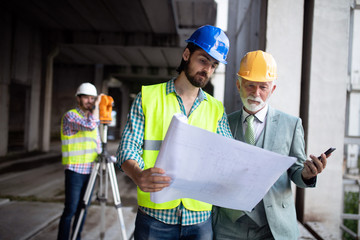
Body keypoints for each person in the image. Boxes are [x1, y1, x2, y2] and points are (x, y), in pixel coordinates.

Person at [116, 25, 233, 240]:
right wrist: (138, 174)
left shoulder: (216, 108)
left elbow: (227, 156)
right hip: (155, 217)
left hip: (199, 220)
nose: (207, 69)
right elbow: (128, 148)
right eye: (203, 60)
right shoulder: (148, 97)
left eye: (213, 65)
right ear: (187, 55)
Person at [212, 50, 329, 240]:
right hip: (229, 226)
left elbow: (296, 171)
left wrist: (307, 175)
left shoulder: (291, 125)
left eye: (263, 87)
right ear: (238, 85)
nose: (256, 93)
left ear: (272, 90)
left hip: (272, 226)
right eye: (250, 85)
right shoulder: (222, 122)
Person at [57, 82, 101, 240]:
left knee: (83, 209)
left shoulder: (93, 118)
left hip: (91, 171)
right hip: (75, 170)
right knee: (71, 209)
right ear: (78, 98)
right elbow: (89, 127)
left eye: (93, 98)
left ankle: (76, 237)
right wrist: (98, 108)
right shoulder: (71, 116)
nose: (90, 101)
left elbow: (97, 142)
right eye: (86, 98)